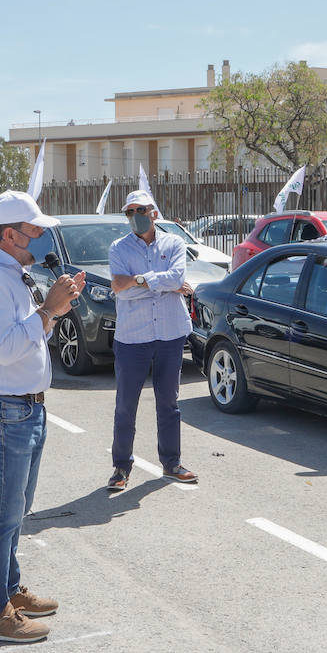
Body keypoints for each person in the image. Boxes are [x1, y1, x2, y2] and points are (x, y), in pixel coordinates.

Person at [0, 189, 85, 643]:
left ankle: (8, 591)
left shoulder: (12, 274)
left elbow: (29, 338)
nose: (42, 239)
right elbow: (8, 348)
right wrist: (49, 308)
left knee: (16, 510)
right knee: (2, 514)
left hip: (23, 406)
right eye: (35, 231)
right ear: (11, 234)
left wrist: (54, 308)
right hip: (4, 409)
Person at [105, 190, 198, 492]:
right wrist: (161, 283)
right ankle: (121, 467)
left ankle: (172, 463)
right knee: (125, 406)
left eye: (140, 210)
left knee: (169, 403)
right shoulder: (118, 247)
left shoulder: (174, 243)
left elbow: (177, 278)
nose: (135, 216)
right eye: (129, 212)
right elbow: (120, 287)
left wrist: (140, 280)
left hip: (170, 334)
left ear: (154, 213)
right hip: (133, 337)